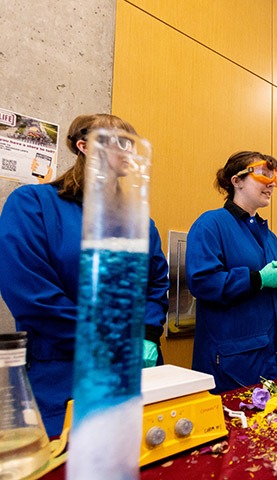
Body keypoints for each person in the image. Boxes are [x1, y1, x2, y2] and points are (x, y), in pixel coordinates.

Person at [0, 113, 170, 437]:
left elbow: (156, 283)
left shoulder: (140, 223)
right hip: (63, 373)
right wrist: (109, 343)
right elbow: (31, 295)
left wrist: (147, 334)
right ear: (84, 146)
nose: (128, 152)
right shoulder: (33, 204)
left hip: (135, 373)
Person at [186, 151, 277, 393]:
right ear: (237, 181)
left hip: (272, 355)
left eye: (274, 178)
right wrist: (259, 279)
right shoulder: (211, 224)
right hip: (231, 360)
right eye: (264, 176)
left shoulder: (270, 236)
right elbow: (203, 282)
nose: (271, 185)